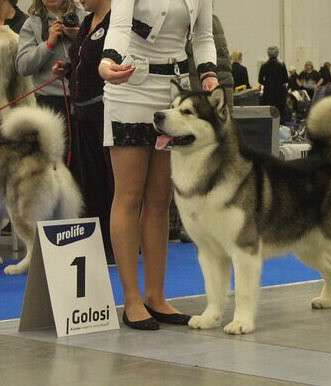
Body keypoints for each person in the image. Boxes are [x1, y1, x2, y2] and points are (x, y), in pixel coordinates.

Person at [98, 0, 218, 331]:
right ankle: (132, 298)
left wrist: (208, 72)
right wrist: (107, 62)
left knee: (160, 199)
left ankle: (156, 295)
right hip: (129, 85)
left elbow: (203, 35)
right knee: (129, 194)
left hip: (172, 91)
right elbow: (119, 27)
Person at [52, 0, 114, 263]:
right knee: (89, 182)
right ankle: (94, 242)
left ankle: (113, 245)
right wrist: (67, 71)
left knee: (109, 183)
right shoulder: (88, 22)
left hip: (105, 114)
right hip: (83, 115)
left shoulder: (117, 22)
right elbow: (82, 62)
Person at [16, 0, 85, 115]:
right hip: (49, 102)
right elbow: (23, 67)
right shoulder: (32, 23)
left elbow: (101, 56)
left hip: (85, 98)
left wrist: (79, 37)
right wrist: (48, 45)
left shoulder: (86, 16)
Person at [258, 46, 288, 122]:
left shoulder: (264, 65)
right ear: (277, 53)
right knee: (280, 111)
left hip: (268, 92)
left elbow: (260, 80)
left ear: (268, 54)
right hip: (279, 92)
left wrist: (267, 84)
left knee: (269, 112)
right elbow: (286, 79)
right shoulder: (281, 65)